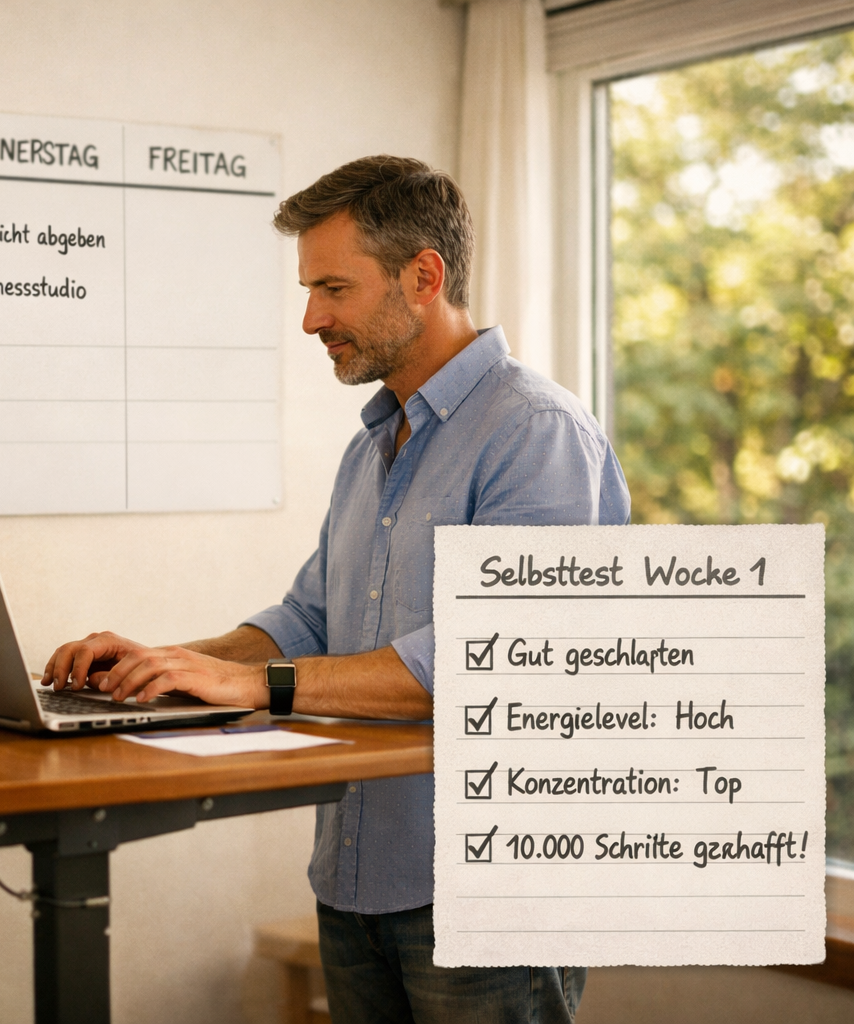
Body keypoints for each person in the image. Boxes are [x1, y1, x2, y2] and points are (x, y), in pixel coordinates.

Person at [41, 155, 629, 1024]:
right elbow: (309, 621)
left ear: (423, 276)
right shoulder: (374, 445)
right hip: (357, 876)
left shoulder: (534, 434)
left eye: (333, 288)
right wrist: (167, 661)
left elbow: (494, 662)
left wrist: (259, 686)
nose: (311, 317)